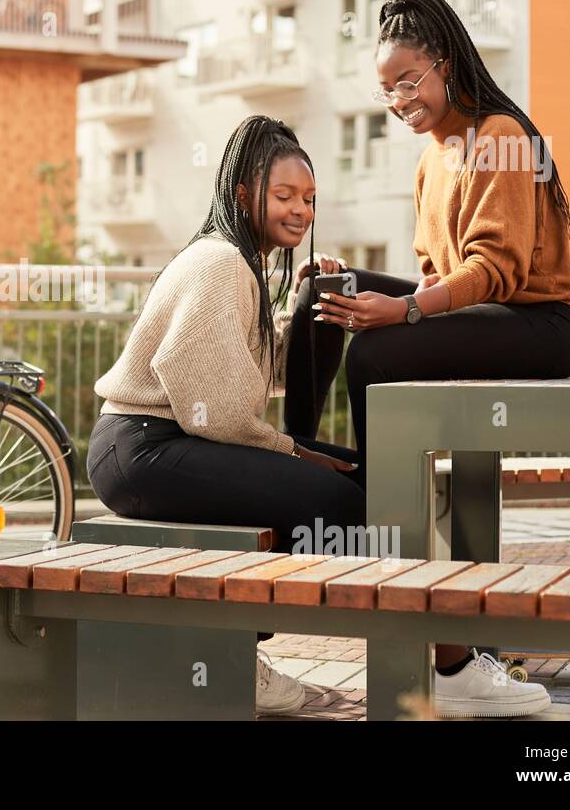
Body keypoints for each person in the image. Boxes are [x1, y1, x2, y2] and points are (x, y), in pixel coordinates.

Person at [286, 0, 570, 718]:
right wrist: (383, 296)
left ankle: (373, 504)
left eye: (408, 81)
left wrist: (404, 312)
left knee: (373, 356)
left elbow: (496, 271)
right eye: (385, 88)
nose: (397, 100)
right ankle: (297, 449)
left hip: (542, 321)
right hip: (486, 312)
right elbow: (436, 272)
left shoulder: (502, 137)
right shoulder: (431, 160)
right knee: (329, 291)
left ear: (446, 65)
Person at [88, 115, 363, 716]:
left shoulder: (247, 266)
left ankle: (232, 645)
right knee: (335, 500)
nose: (300, 211)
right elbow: (213, 411)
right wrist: (297, 453)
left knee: (364, 477)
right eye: (284, 195)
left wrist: (304, 301)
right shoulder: (219, 265)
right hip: (141, 448)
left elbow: (257, 379)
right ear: (244, 193)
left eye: (309, 199)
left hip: (166, 442)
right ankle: (231, 655)